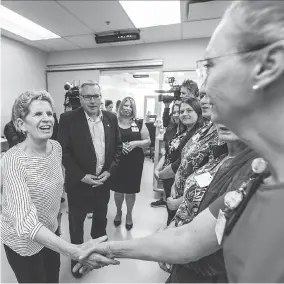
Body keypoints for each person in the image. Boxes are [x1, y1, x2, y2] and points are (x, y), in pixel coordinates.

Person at [73, 1, 284, 282]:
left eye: (210, 65)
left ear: (268, 64)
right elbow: (189, 240)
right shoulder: (257, 174)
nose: (204, 87)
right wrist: (110, 246)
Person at [0, 91, 118, 283]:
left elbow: (55, 190)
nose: (47, 119)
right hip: (23, 243)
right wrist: (74, 249)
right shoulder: (13, 161)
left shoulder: (55, 148)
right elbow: (25, 223)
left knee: (52, 278)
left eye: (49, 113)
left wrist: (56, 221)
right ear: (22, 124)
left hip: (50, 233)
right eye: (38, 114)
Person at [162, 125, 256, 283]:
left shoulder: (255, 169)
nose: (224, 118)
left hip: (206, 269)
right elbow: (189, 204)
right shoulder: (219, 155)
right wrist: (170, 231)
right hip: (183, 257)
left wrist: (170, 247)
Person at [57, 80, 122, 278]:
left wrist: (109, 171)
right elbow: (64, 151)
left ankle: (97, 255)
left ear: (101, 98)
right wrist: (82, 176)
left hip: (103, 182)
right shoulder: (68, 119)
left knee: (100, 222)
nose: (92, 101)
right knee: (76, 225)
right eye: (87, 97)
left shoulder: (111, 117)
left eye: (96, 96)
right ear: (81, 99)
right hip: (78, 184)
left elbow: (117, 148)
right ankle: (77, 261)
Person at [152, 98, 203, 225]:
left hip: (184, 186)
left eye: (189, 110)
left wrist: (162, 174)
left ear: (198, 112)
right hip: (172, 181)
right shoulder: (182, 131)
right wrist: (159, 169)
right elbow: (169, 153)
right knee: (170, 214)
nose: (183, 114)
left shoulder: (198, 135)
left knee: (178, 219)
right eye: (181, 111)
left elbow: (181, 163)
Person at [112, 97, 150, 230]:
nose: (127, 108)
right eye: (125, 105)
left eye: (130, 106)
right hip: (118, 161)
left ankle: (129, 214)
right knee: (118, 190)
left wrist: (135, 143)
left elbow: (148, 141)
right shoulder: (114, 122)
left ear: (133, 109)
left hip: (134, 161)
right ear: (120, 106)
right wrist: (119, 146)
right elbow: (108, 141)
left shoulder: (139, 123)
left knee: (130, 191)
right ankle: (118, 212)